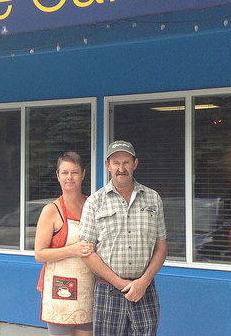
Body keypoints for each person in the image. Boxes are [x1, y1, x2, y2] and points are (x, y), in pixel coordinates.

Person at [79, 140, 167, 336]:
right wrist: (121, 284)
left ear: (135, 164)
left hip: (145, 289)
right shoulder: (95, 202)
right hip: (107, 291)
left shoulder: (153, 199)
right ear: (107, 165)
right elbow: (86, 252)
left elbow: (161, 247)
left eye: (126, 162)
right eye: (116, 162)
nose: (121, 168)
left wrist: (142, 282)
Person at [35, 151, 95, 336]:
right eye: (65, 172)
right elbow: (40, 254)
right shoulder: (51, 211)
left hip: (87, 289)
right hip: (60, 292)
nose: (70, 177)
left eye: (74, 172)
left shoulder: (92, 205)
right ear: (58, 175)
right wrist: (73, 250)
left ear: (83, 174)